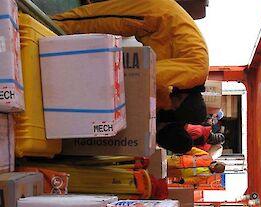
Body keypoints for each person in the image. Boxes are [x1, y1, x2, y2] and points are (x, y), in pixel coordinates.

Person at [51, 0, 209, 152]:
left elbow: (157, 85)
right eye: (174, 106)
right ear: (182, 101)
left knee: (95, 23)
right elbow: (145, 76)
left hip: (154, 22)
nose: (170, 105)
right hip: (155, 16)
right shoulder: (193, 75)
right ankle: (44, 22)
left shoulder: (189, 81)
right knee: (88, 22)